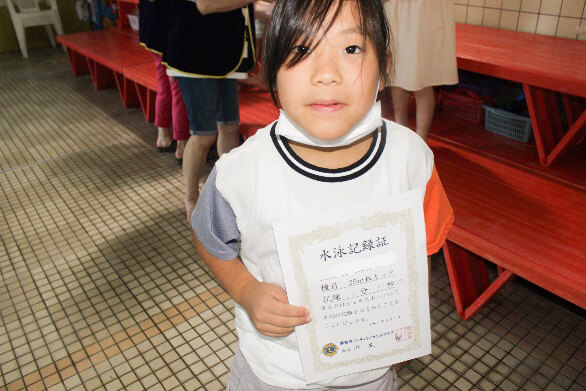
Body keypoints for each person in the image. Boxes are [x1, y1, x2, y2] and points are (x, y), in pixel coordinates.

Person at [192, 0, 454, 389]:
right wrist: (246, 290)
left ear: (384, 66)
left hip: (371, 373)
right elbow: (208, 237)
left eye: (351, 49)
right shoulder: (241, 171)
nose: (326, 74)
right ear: (272, 72)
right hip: (275, 374)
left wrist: (406, 319)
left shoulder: (412, 159)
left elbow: (424, 250)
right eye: (300, 50)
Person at [162, 0, 261, 220]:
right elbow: (206, 5)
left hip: (225, 54)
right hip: (194, 57)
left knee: (229, 127)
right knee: (203, 135)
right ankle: (191, 197)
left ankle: (227, 191)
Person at [383, 0, 458, 141]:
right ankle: (401, 131)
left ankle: (422, 140)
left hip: (423, 12)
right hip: (398, 12)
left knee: (422, 78)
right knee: (397, 75)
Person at [138, 0, 190, 164]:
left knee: (164, 86)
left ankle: (163, 136)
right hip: (168, 34)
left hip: (151, 30)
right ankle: (182, 145)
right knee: (178, 90)